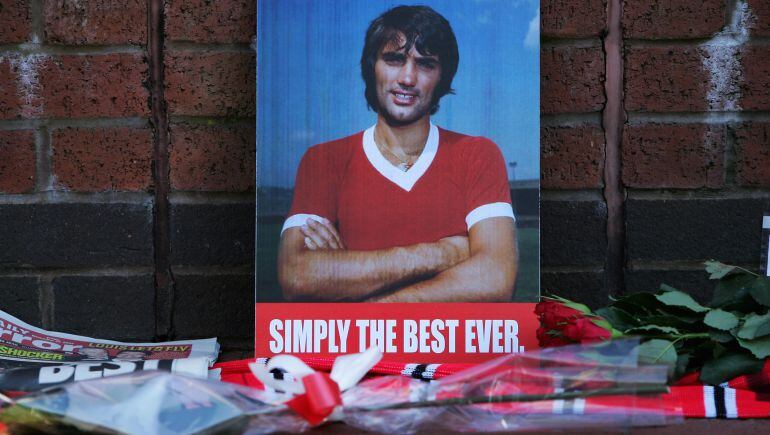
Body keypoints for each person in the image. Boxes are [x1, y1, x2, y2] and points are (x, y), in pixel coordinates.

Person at [277, 5, 517, 302]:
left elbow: (495, 277)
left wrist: (364, 300)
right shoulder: (323, 160)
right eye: (394, 59)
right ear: (371, 67)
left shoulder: (477, 154)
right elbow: (297, 274)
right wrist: (443, 253)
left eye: (426, 64)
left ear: (443, 77)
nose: (407, 77)